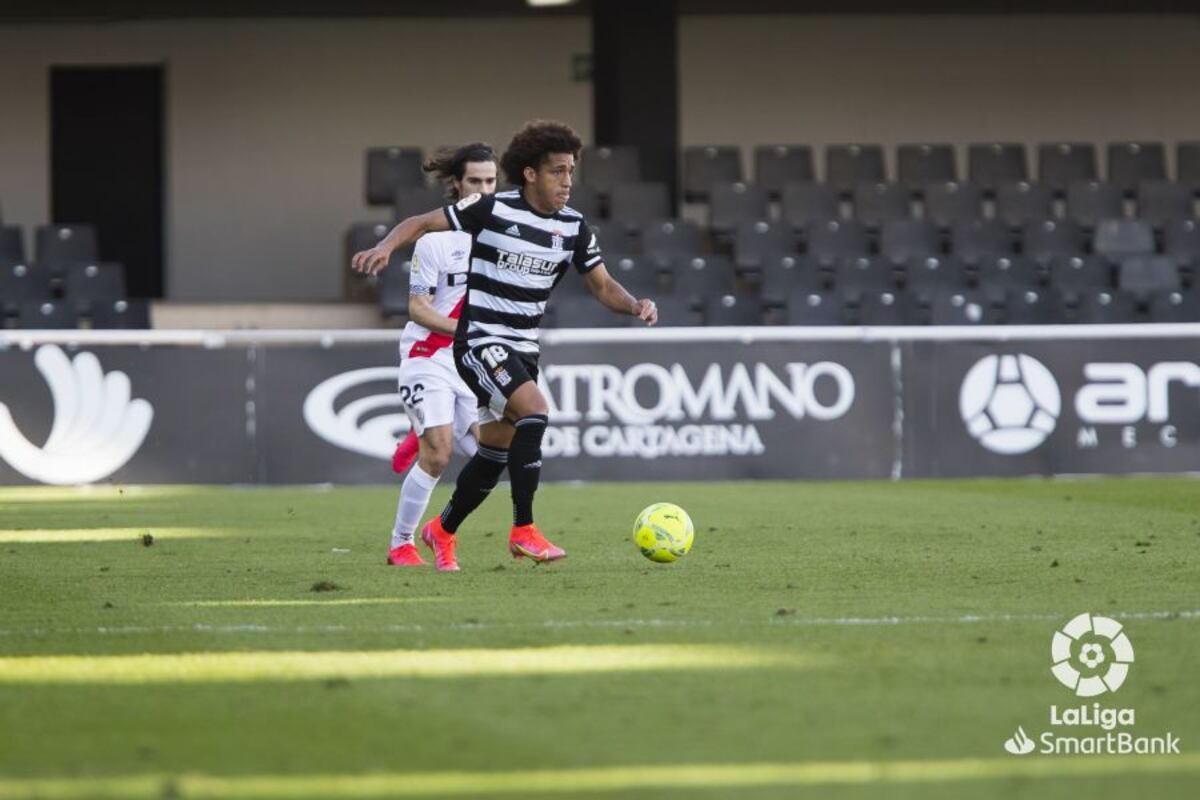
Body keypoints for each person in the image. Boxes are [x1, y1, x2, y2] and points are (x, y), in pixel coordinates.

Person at [354, 119, 657, 572]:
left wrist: (635, 305)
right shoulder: (493, 209)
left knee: (494, 452)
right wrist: (386, 246)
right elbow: (421, 222)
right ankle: (524, 531)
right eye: (557, 171)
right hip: (478, 341)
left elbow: (602, 285)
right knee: (535, 411)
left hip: (522, 348)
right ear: (531, 173)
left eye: (571, 171)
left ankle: (442, 530)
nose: (567, 182)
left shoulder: (573, 227)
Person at [385, 143, 498, 566]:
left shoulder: (503, 240)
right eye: (475, 181)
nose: (484, 190)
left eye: (490, 181)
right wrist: (467, 329)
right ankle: (401, 543)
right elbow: (418, 309)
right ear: (456, 184)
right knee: (440, 453)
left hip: (473, 363)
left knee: (496, 452)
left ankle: (442, 529)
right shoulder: (435, 243)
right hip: (429, 355)